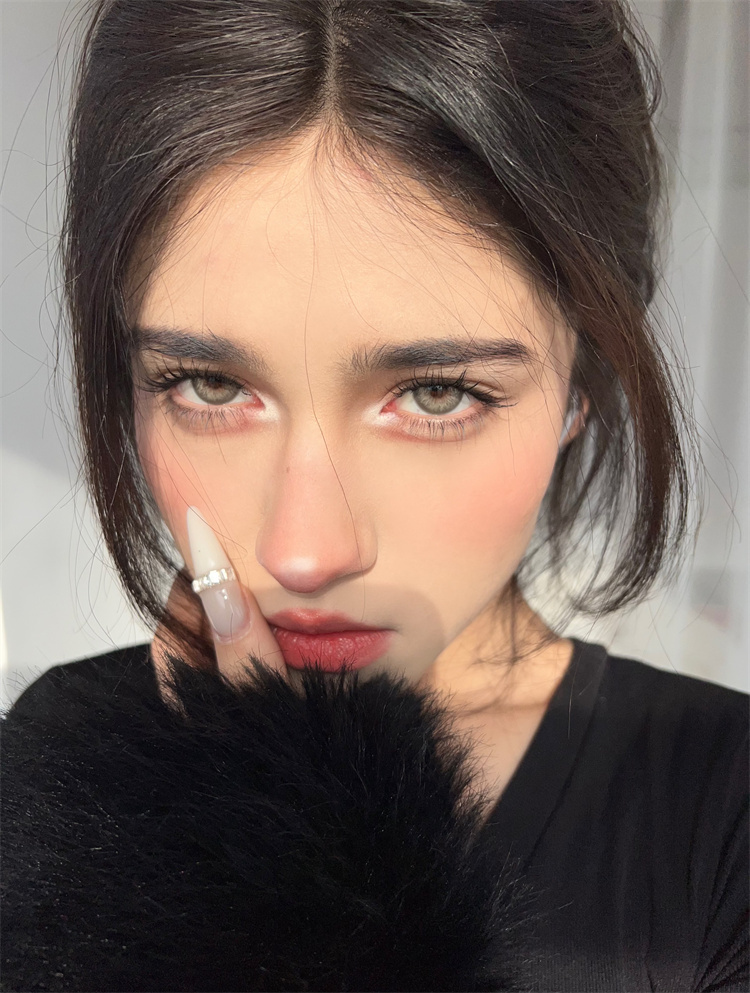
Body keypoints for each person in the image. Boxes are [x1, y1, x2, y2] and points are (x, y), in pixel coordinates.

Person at [1, 1, 747, 990]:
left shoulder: (724, 821)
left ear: (584, 382)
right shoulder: (59, 754)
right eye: (208, 385)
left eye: (437, 394)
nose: (305, 552)